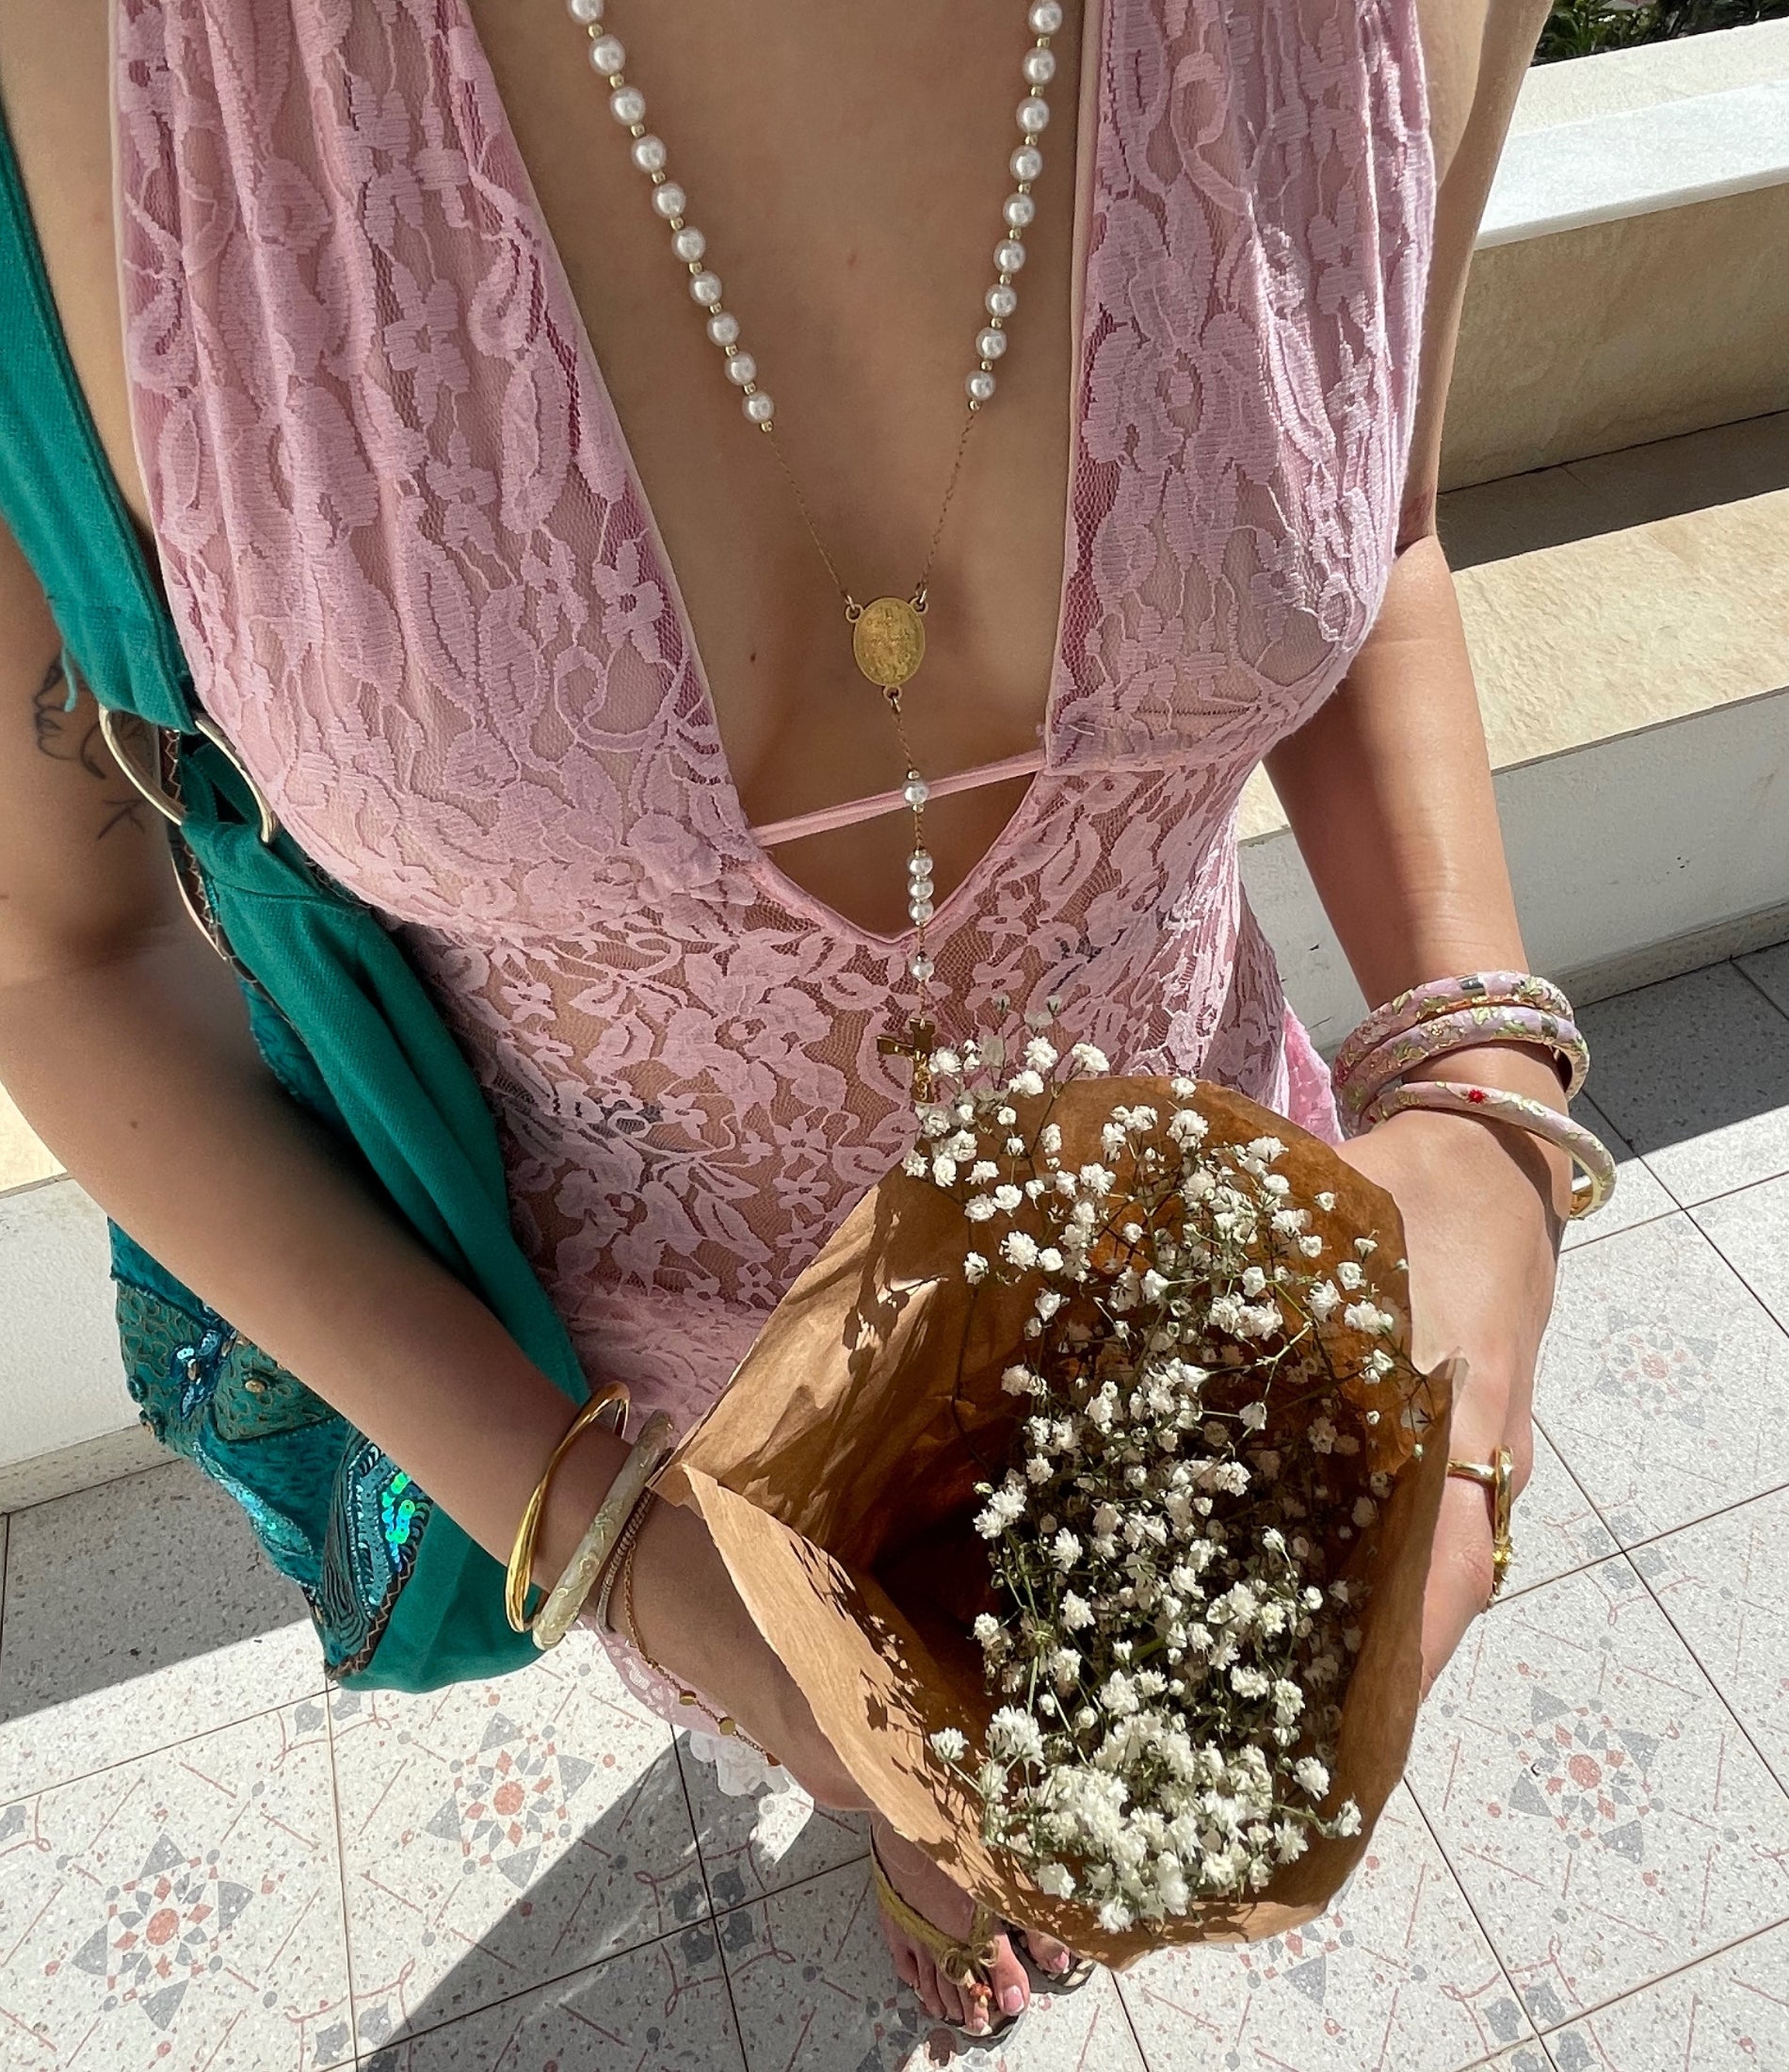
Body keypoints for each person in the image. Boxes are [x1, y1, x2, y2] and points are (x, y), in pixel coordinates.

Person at [0, 0, 1575, 2039]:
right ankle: (909, 1844)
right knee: (886, 1773)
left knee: (1094, 1751)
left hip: (1203, 1262)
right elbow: (65, 955)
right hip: (656, 1425)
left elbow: (1381, 529)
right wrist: (609, 1544)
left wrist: (1473, 1103)